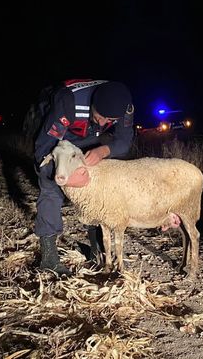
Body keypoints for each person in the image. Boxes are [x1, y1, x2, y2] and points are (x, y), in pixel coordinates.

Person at [32, 79, 135, 275]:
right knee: (51, 188)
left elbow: (124, 141)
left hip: (89, 135)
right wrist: (63, 177)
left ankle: (97, 248)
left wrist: (103, 151)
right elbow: (42, 151)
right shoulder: (68, 102)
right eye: (102, 116)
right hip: (57, 139)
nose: (106, 123)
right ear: (92, 106)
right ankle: (49, 257)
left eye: (110, 120)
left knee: (97, 188)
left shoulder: (124, 106)